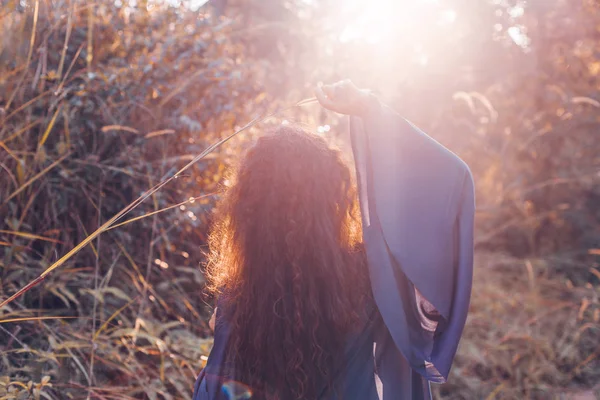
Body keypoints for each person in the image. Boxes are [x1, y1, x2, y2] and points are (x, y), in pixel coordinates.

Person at [193, 80, 475, 400]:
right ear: (332, 202)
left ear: (248, 211)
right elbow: (454, 177)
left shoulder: (236, 299)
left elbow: (213, 391)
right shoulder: (373, 280)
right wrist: (370, 109)